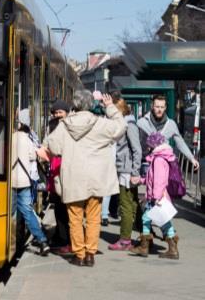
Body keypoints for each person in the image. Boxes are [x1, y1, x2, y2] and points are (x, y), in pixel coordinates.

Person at [44, 90, 126, 267]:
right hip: (96, 178)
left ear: (75, 104)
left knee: (75, 218)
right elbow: (121, 126)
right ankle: (90, 254)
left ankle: (79, 254)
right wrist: (110, 107)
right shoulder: (101, 123)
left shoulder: (64, 125)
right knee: (94, 217)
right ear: (91, 104)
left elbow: (53, 146)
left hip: (74, 178)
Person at [130, 132, 180, 259]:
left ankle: (145, 246)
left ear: (154, 146)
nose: (147, 148)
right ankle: (171, 248)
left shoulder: (158, 160)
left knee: (148, 219)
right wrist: (140, 180)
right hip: (157, 196)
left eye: (149, 145)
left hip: (156, 197)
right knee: (162, 221)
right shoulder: (159, 158)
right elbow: (152, 179)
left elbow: (158, 181)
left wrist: (156, 198)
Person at [12, 108, 50, 256]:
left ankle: (13, 240)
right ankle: (42, 240)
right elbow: (33, 157)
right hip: (25, 181)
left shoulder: (11, 137)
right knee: (28, 211)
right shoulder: (28, 139)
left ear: (19, 123)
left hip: (11, 183)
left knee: (12, 212)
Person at [108, 98, 142, 251]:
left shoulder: (129, 125)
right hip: (124, 168)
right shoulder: (124, 124)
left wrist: (135, 171)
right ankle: (145, 234)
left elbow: (137, 149)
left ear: (120, 110)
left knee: (126, 205)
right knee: (133, 203)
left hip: (127, 171)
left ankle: (125, 240)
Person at [138, 94, 199, 170]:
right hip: (146, 166)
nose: (159, 110)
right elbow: (135, 146)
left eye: (162, 107)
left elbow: (180, 142)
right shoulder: (142, 123)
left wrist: (191, 158)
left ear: (165, 108)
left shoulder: (171, 125)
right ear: (152, 106)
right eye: (157, 107)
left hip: (163, 167)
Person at [46, 117, 72, 255]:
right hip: (58, 188)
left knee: (62, 214)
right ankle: (63, 238)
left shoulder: (59, 152)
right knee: (61, 213)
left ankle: (64, 240)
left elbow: (56, 171)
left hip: (60, 189)